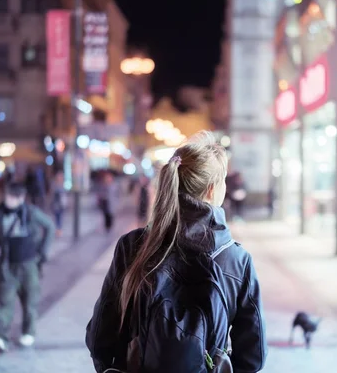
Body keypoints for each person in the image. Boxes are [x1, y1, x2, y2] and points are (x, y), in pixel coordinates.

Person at [85, 131, 267, 373]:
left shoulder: (132, 246)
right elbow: (254, 354)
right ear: (212, 190)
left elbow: (100, 336)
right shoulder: (236, 259)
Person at [0, 182, 55, 353]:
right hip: (7, 266)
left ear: (21, 198)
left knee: (29, 301)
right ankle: (0, 337)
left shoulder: (31, 212)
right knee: (5, 302)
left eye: (12, 197)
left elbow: (49, 226)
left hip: (29, 265)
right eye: (7, 196)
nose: (8, 200)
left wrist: (42, 253)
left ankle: (28, 332)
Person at [50, 171, 68, 236]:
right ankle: (58, 229)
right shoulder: (56, 185)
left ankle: (59, 229)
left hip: (60, 205)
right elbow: (52, 196)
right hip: (56, 205)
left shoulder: (61, 185)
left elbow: (64, 196)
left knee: (59, 217)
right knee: (57, 217)